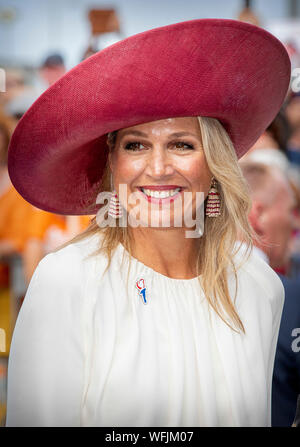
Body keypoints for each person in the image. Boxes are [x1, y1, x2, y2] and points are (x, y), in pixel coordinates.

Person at [5, 19, 291, 427]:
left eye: (181, 144)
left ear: (215, 163)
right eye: (136, 145)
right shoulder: (68, 280)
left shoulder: (256, 285)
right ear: (114, 164)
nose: (157, 168)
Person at [239, 160, 300, 426]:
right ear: (257, 215)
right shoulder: (288, 297)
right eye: (291, 210)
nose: (294, 222)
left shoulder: (174, 287)